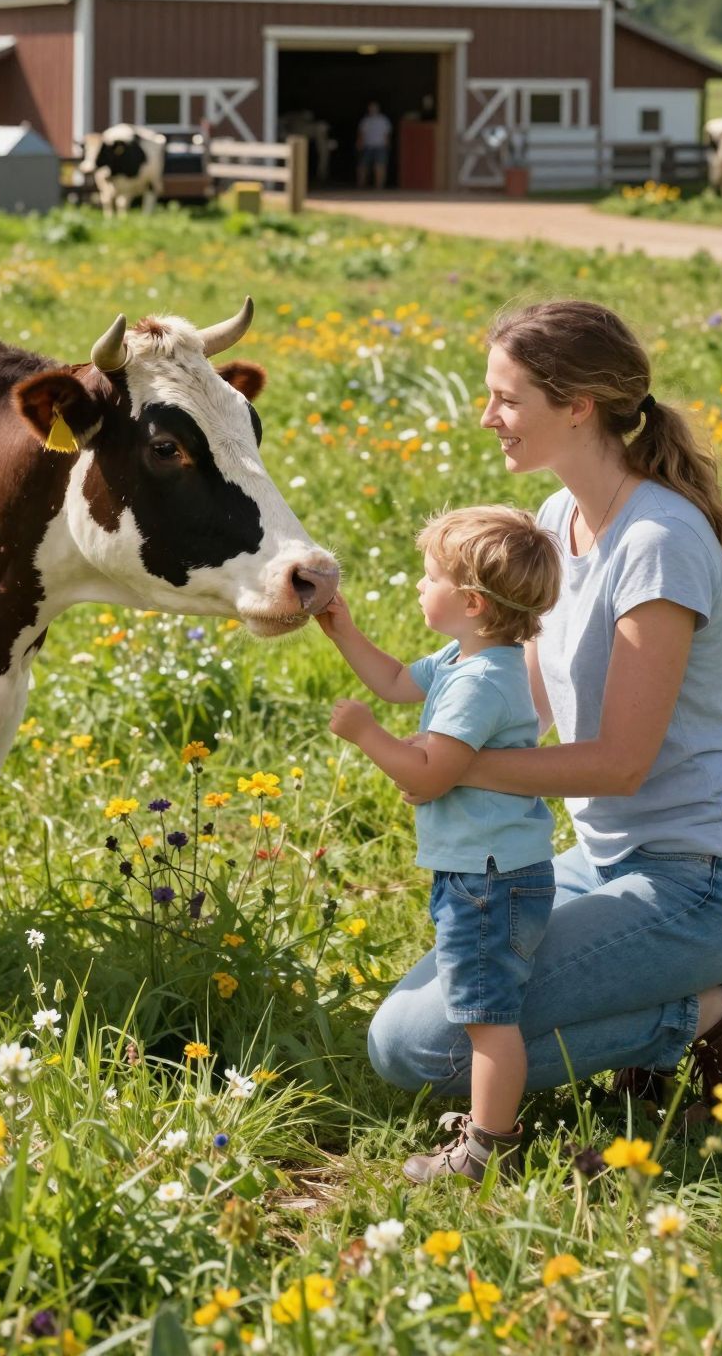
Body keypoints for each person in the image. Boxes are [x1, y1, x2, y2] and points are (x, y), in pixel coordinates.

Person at [366, 298, 722, 1113]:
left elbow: (620, 763)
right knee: (399, 1033)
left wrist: (455, 774)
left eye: (507, 398)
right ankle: (680, 1009)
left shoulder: (657, 543)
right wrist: (432, 725)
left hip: (708, 881)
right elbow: (523, 699)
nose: (487, 416)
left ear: (578, 407)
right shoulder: (558, 518)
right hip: (599, 859)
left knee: (431, 1052)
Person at [321, 505, 561, 1181]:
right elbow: (399, 682)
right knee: (487, 1010)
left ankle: (487, 1148)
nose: (418, 587)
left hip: (487, 882)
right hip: (487, 871)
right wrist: (345, 633)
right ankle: (490, 1136)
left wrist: (370, 736)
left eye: (428, 578)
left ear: (472, 602)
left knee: (489, 1019)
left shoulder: (482, 684)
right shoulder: (467, 657)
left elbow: (430, 777)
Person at [355, 100, 392, 190]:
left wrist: (387, 144)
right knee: (363, 166)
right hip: (367, 146)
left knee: (380, 166)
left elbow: (387, 134)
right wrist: (359, 144)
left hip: (380, 146)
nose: (372, 109)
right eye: (371, 107)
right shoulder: (365, 120)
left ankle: (379, 186)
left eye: (374, 107)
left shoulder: (383, 120)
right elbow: (361, 134)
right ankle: (361, 186)